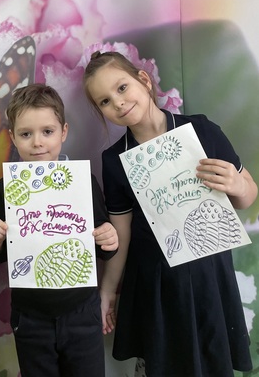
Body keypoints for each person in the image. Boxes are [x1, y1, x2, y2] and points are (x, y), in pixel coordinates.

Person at [83, 50, 258, 377]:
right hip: (156, 283)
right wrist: (107, 291)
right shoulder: (114, 160)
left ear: (144, 80)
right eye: (105, 101)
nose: (118, 102)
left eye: (122, 88)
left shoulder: (201, 130)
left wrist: (237, 184)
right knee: (162, 362)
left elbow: (248, 195)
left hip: (209, 276)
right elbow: (122, 233)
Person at [0, 83, 119, 377]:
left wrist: (109, 240)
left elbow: (101, 245)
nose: (37, 143)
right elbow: (1, 253)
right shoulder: (7, 187)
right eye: (26, 134)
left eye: (47, 131)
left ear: (63, 132)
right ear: (12, 137)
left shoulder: (83, 182)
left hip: (81, 311)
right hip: (30, 317)